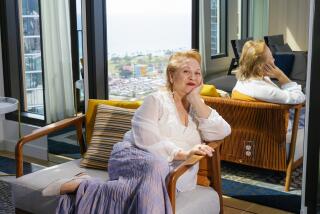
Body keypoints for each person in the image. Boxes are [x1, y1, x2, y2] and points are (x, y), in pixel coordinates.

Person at [42, 50, 231, 213]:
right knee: (158, 165)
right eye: (186, 71)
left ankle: (84, 186)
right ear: (172, 77)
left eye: (197, 73)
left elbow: (223, 131)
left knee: (155, 176)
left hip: (175, 171)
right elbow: (147, 140)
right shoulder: (156, 100)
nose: (193, 77)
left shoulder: (199, 108)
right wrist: (184, 153)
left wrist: (196, 100)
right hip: (134, 155)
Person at [232, 40, 305, 104]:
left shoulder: (242, 81)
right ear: (260, 66)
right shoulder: (267, 91)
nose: (274, 59)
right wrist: (281, 75)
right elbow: (300, 97)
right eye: (271, 57)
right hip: (280, 118)